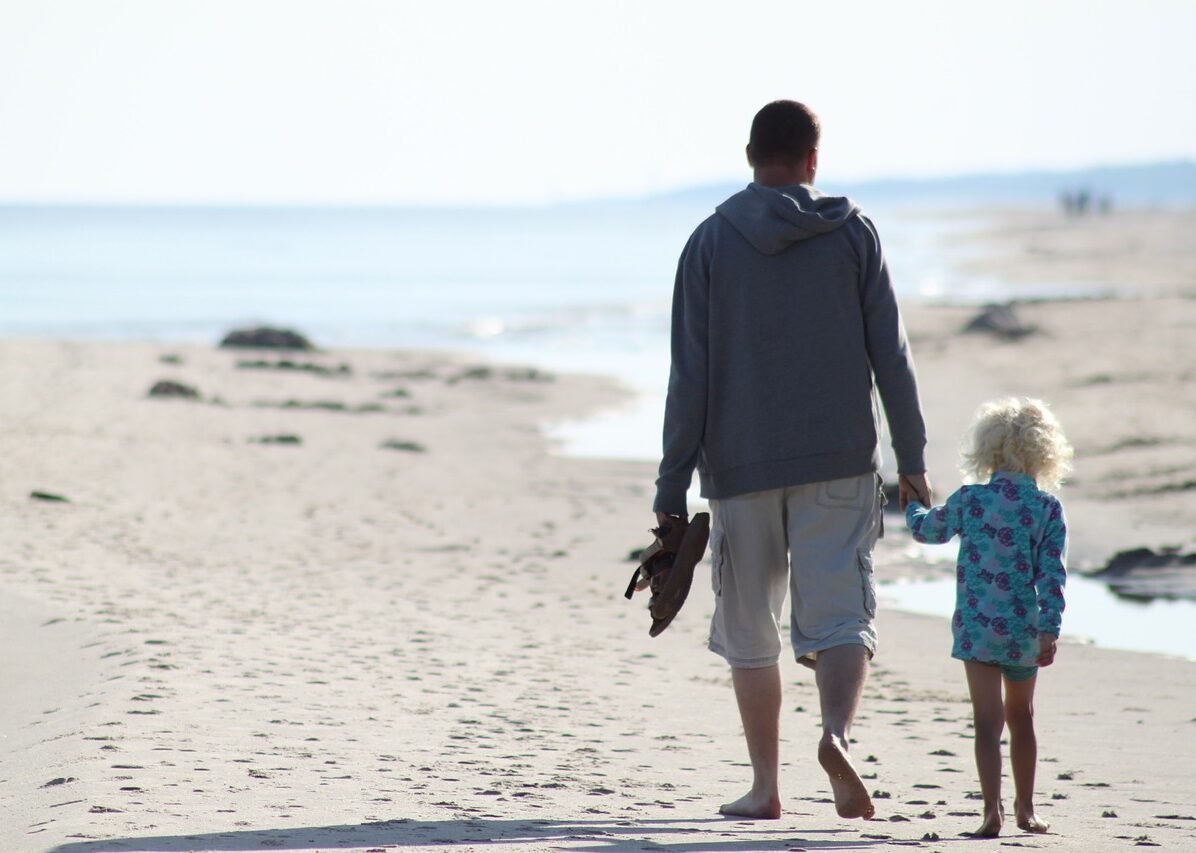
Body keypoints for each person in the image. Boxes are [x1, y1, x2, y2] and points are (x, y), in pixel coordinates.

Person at [652, 99, 931, 821]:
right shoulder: (853, 234)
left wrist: (671, 488)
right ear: (814, 159)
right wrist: (913, 457)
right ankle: (835, 733)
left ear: (750, 157)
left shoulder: (710, 242)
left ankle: (765, 786)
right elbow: (891, 356)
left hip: (740, 469)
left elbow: (691, 376)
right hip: (840, 459)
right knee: (840, 615)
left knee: (751, 627)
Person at [905, 397, 1071, 837]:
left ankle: (990, 813)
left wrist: (912, 504)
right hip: (1023, 631)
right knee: (1023, 718)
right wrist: (1049, 629)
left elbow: (927, 530)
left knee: (986, 722)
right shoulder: (1047, 508)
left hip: (978, 628)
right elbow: (1052, 574)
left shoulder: (971, 500)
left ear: (988, 449)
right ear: (1044, 452)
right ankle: (1027, 809)